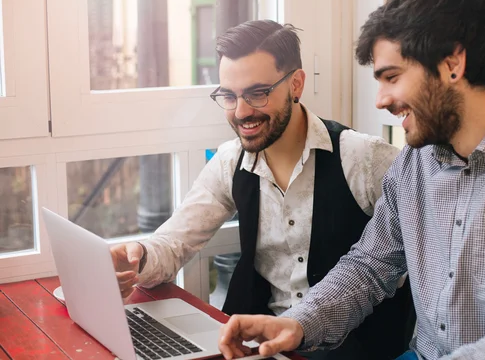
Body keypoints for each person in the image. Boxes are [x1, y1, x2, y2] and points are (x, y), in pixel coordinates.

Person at [218, 0, 485, 360]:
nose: (381, 100)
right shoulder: (417, 160)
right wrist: (299, 323)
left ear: (453, 64)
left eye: (392, 77)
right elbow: (369, 265)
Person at [109, 19, 416, 360]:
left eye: (257, 93)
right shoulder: (230, 161)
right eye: (229, 95)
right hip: (261, 349)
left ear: (296, 84)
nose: (241, 113)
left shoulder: (364, 158)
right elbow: (175, 242)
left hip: (356, 349)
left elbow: (406, 259)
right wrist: (137, 256)